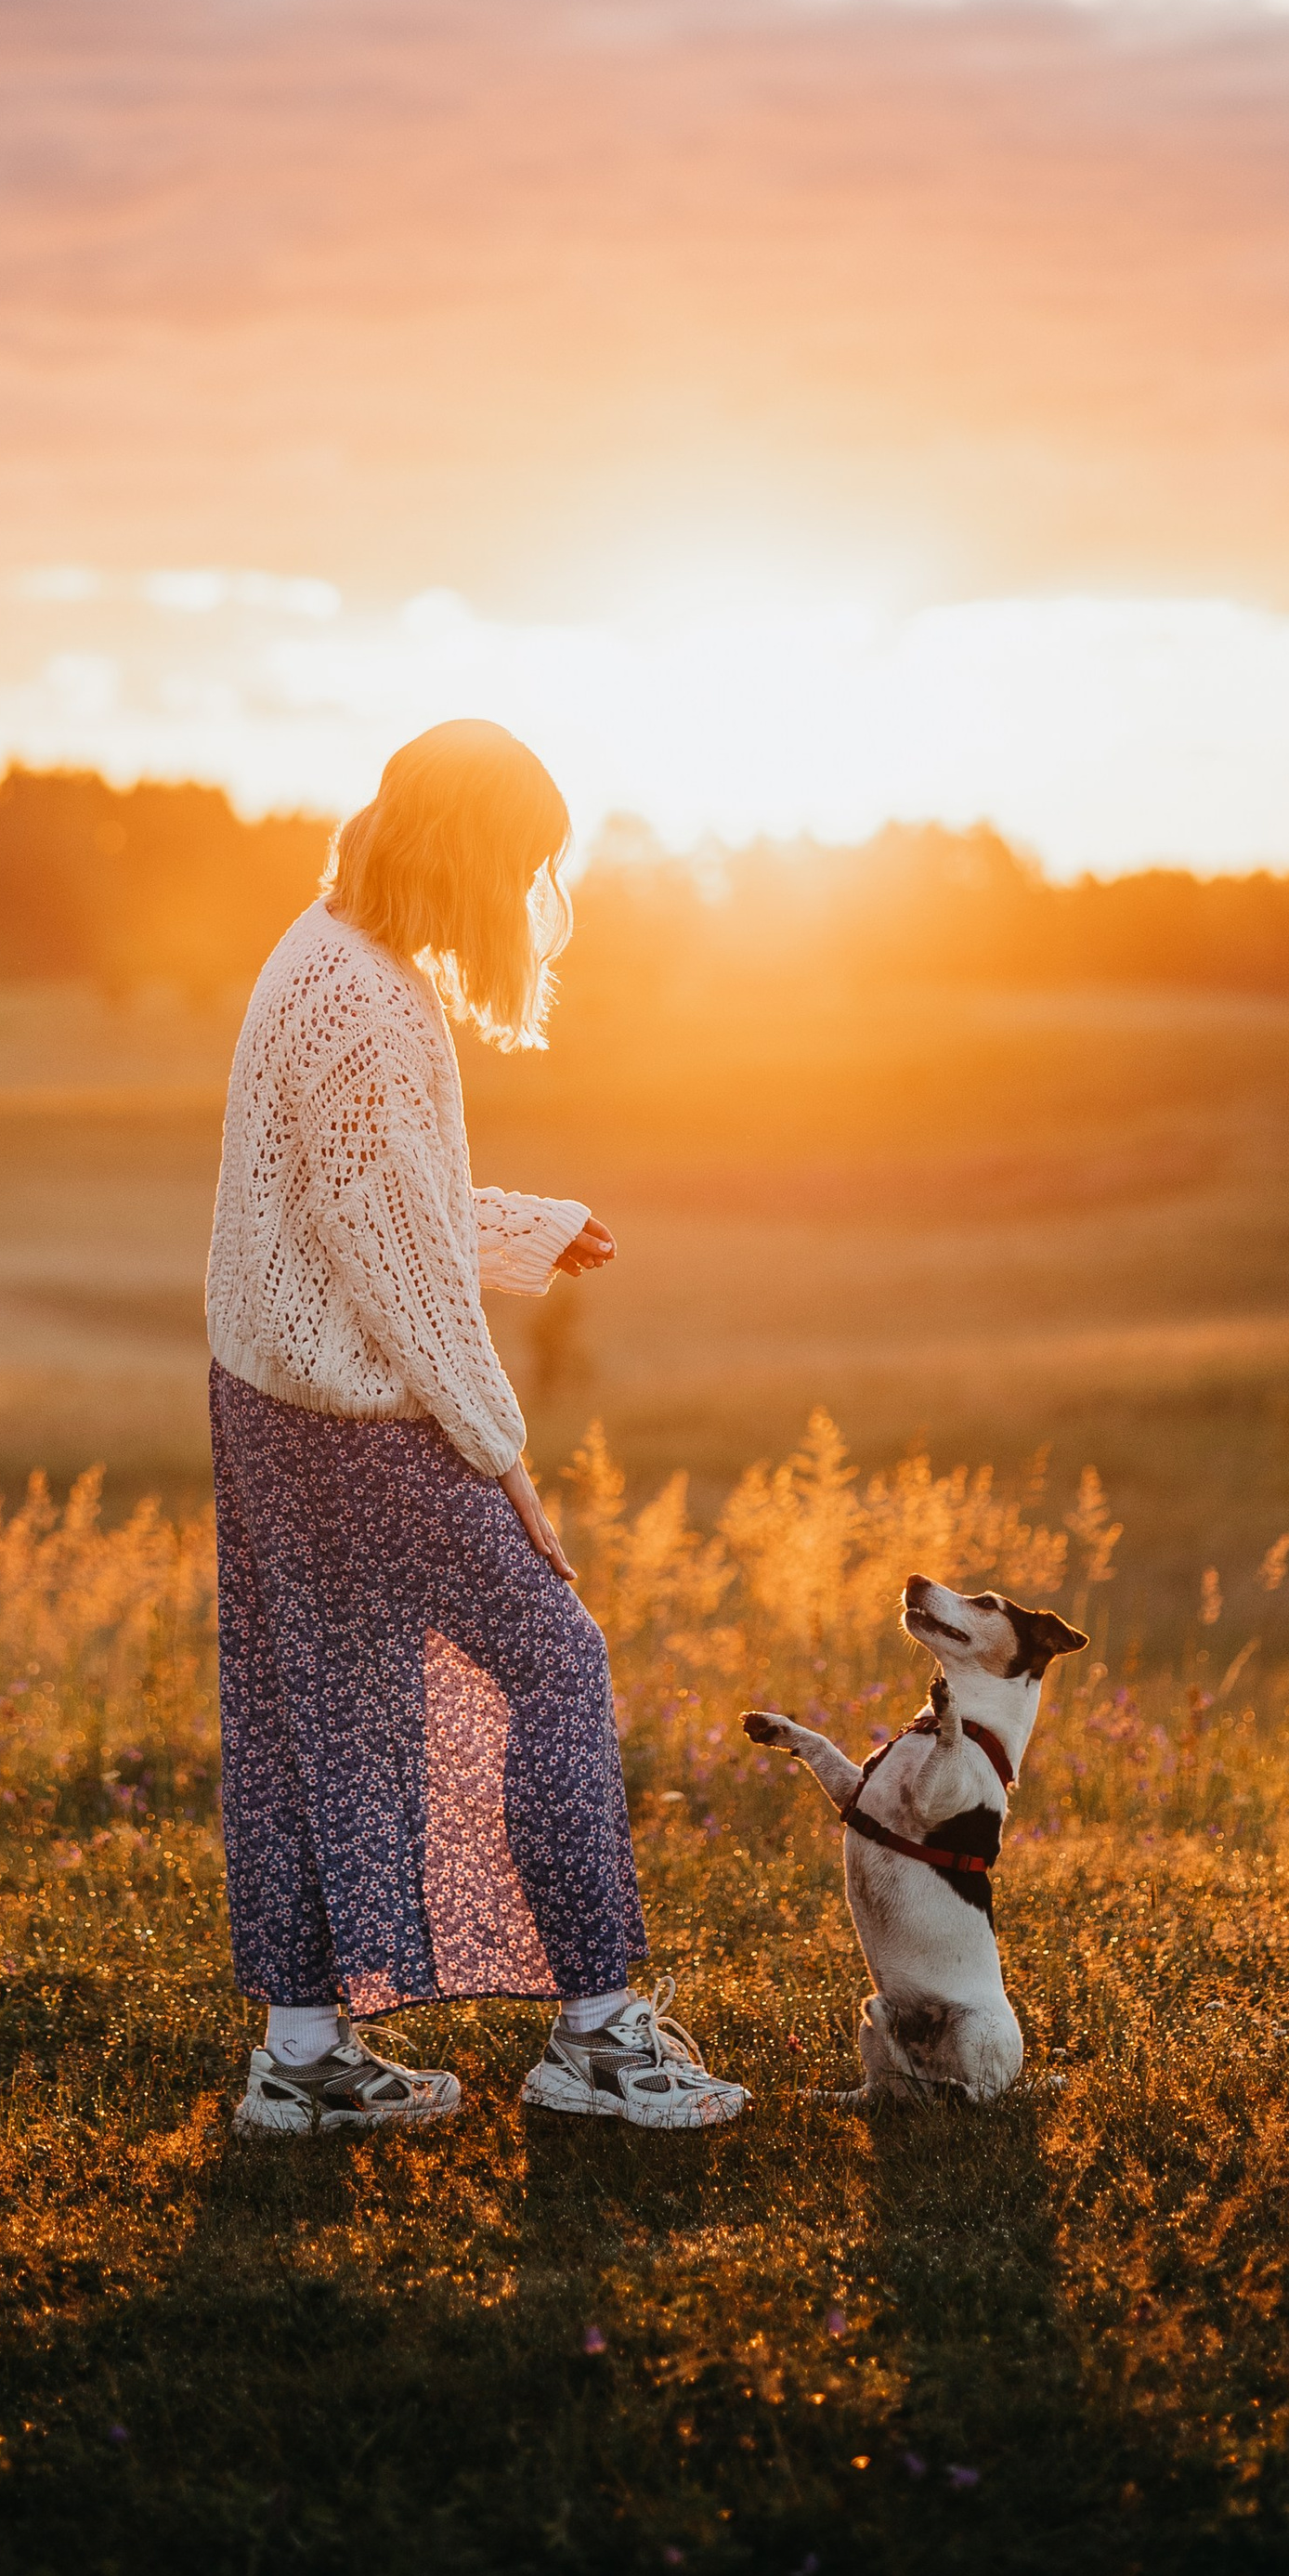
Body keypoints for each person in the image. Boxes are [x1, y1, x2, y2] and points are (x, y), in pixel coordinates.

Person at [203, 717, 748, 2138]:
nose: (528, 898)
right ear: (465, 857)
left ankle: (303, 2058)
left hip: (272, 1403)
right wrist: (505, 1460)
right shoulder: (364, 1001)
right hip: (352, 1417)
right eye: (520, 867)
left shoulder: (326, 947)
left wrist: (520, 1228)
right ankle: (598, 2037)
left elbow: (372, 1199)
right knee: (558, 1656)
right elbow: (396, 1272)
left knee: (309, 1706)